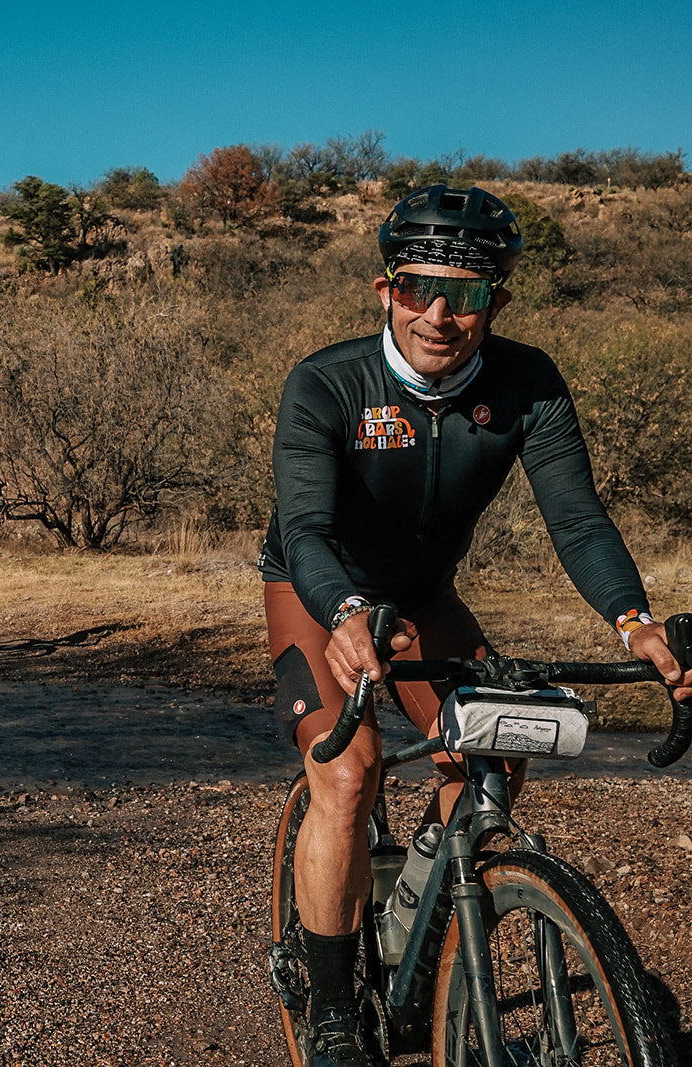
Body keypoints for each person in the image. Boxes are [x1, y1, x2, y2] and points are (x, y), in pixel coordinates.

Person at [257, 184, 692, 1067]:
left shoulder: (527, 383)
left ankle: (433, 906)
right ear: (386, 289)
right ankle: (336, 1009)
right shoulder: (327, 383)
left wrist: (635, 623)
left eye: (468, 293)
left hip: (423, 594)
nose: (441, 314)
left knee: (500, 741)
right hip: (318, 591)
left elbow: (576, 520)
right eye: (419, 288)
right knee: (348, 772)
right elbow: (304, 530)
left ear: (498, 299)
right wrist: (343, 614)